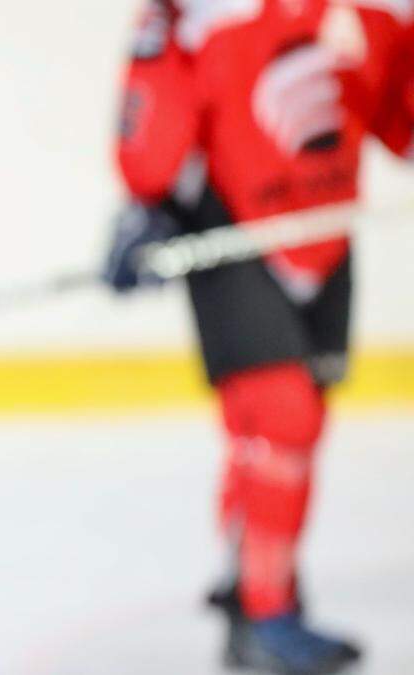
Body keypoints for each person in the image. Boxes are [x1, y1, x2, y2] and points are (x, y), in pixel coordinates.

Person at [104, 1, 412, 673]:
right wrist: (146, 202)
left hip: (324, 234)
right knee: (282, 416)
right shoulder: (206, 13)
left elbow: (402, 121)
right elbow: (156, 106)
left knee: (293, 427)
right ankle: (264, 613)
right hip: (231, 230)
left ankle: (247, 570)